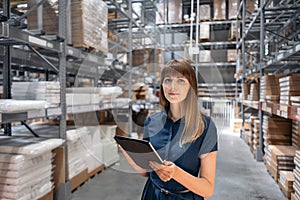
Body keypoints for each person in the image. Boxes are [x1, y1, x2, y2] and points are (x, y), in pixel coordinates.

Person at [120, 59, 218, 200]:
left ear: (191, 87)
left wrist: (176, 173)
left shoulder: (205, 126)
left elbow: (207, 189)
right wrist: (131, 157)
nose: (173, 87)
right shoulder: (152, 122)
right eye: (168, 80)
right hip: (152, 194)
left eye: (180, 80)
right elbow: (147, 172)